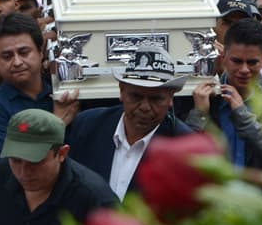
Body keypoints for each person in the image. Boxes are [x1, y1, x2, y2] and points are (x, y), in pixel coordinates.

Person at [0, 109, 117, 225]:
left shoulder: (94, 198)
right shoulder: (3, 173)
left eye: (35, 162)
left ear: (62, 153)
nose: (23, 172)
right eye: (16, 160)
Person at [65, 48, 192, 199]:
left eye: (156, 99)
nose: (145, 107)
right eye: (136, 96)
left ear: (171, 98)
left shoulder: (183, 146)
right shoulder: (86, 126)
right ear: (121, 91)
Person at [188, 18, 262, 168]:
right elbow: (184, 153)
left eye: (252, 62)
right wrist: (200, 115)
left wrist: (244, 117)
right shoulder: (202, 96)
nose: (244, 70)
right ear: (224, 58)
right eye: (237, 61)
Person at [0, 12, 52, 174]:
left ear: (41, 52)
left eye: (24, 52)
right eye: (7, 56)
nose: (17, 62)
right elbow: (13, 172)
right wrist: (59, 123)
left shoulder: (61, 95)